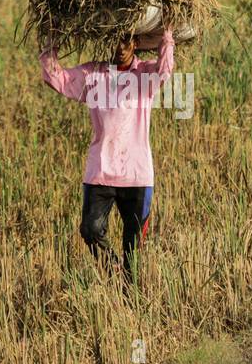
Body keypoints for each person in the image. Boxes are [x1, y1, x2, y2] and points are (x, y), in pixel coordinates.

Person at [40, 28, 175, 283]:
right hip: (100, 171)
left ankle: (130, 298)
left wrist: (167, 37)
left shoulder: (145, 74)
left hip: (136, 175)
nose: (121, 47)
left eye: (126, 40)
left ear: (135, 43)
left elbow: (165, 70)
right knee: (90, 230)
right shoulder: (94, 75)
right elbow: (56, 78)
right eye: (115, 41)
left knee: (132, 249)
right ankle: (112, 269)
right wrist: (51, 43)